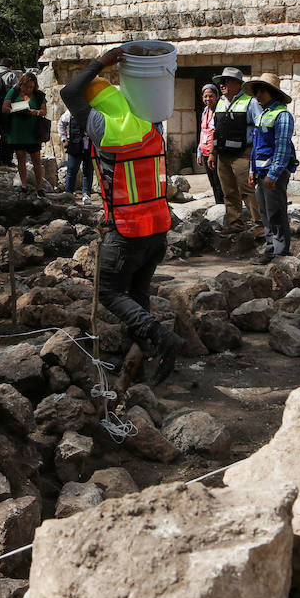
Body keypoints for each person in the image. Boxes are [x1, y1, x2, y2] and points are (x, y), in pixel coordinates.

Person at [61, 47, 186, 384]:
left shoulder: (102, 126)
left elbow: (69, 92)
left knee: (110, 292)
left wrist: (103, 61)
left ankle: (161, 338)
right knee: (139, 294)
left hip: (128, 229)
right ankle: (137, 361)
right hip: (158, 225)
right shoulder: (148, 122)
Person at [246, 72, 297, 265]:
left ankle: (280, 252)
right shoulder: (263, 114)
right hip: (261, 172)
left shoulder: (282, 116)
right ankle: (270, 250)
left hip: (272, 173)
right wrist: (252, 171)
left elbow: (282, 148)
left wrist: (274, 174)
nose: (257, 95)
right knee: (265, 213)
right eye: (256, 92)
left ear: (271, 93)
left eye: (260, 91)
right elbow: (256, 147)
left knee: (276, 212)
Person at [212, 66, 262, 235]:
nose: (222, 85)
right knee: (228, 190)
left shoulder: (251, 101)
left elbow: (260, 127)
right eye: (221, 82)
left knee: (247, 189)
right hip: (223, 154)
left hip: (243, 153)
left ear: (238, 84)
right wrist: (212, 153)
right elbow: (215, 129)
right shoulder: (220, 102)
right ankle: (235, 224)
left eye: (226, 81)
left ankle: (260, 224)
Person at [2, 71, 48, 195]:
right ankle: (23, 184)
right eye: (26, 86)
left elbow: (44, 111)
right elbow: (4, 108)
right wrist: (14, 110)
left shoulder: (38, 95)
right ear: (21, 84)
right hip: (17, 131)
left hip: (33, 132)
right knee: (20, 157)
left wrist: (35, 112)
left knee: (36, 159)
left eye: (31, 87)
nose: (28, 89)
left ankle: (40, 186)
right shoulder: (13, 92)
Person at [196, 83, 226, 204]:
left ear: (217, 97)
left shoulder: (219, 111)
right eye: (205, 96)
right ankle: (218, 204)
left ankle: (222, 206)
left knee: (219, 181)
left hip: (216, 151)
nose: (208, 99)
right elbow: (203, 132)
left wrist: (213, 153)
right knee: (212, 181)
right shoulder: (204, 111)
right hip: (205, 150)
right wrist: (199, 151)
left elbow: (217, 132)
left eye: (211, 96)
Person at [58, 108, 94, 204]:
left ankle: (86, 194)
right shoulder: (71, 111)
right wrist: (64, 139)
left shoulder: (94, 110)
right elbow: (61, 123)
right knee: (72, 170)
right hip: (75, 145)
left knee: (88, 171)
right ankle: (68, 194)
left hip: (90, 146)